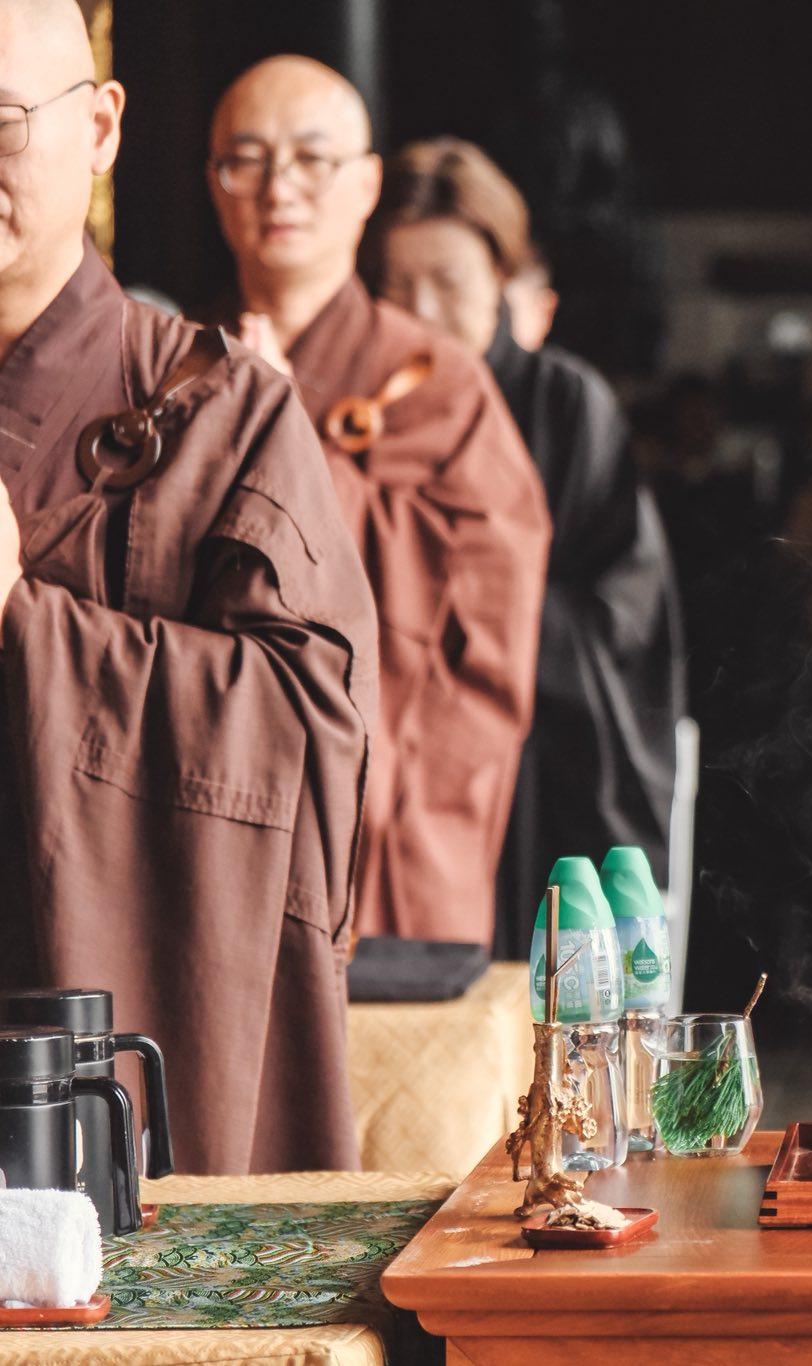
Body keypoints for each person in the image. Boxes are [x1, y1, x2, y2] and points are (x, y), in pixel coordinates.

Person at [0, 0, 377, 1172]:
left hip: (91, 1068)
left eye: (0, 123)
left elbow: (311, 736)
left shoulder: (223, 416)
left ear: (101, 129)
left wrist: (22, 622)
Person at [206, 58, 550, 946]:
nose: (280, 187)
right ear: (215, 184)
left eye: (312, 160)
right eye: (246, 158)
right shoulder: (180, 367)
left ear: (364, 185)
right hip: (213, 799)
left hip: (385, 812)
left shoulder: (440, 381)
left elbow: (489, 616)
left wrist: (290, 452)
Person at [365, 137, 685, 959]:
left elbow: (623, 612)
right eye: (397, 286)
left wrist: (457, 611)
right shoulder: (360, 406)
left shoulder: (564, 403)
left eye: (449, 283)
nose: (421, 311)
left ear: (503, 282)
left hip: (540, 762)